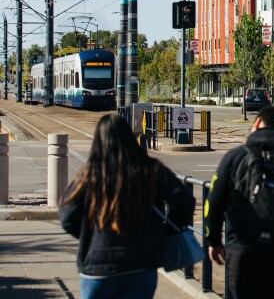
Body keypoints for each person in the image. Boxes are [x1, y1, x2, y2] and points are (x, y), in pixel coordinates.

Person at [59, 114, 195, 299]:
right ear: (130, 137)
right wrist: (164, 232)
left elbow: (67, 216)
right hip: (140, 264)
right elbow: (184, 200)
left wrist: (89, 233)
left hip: (98, 265)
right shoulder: (150, 169)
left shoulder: (90, 175)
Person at [205, 106, 274, 299]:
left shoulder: (236, 156)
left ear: (256, 123)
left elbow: (214, 201)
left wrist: (213, 240)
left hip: (242, 249)